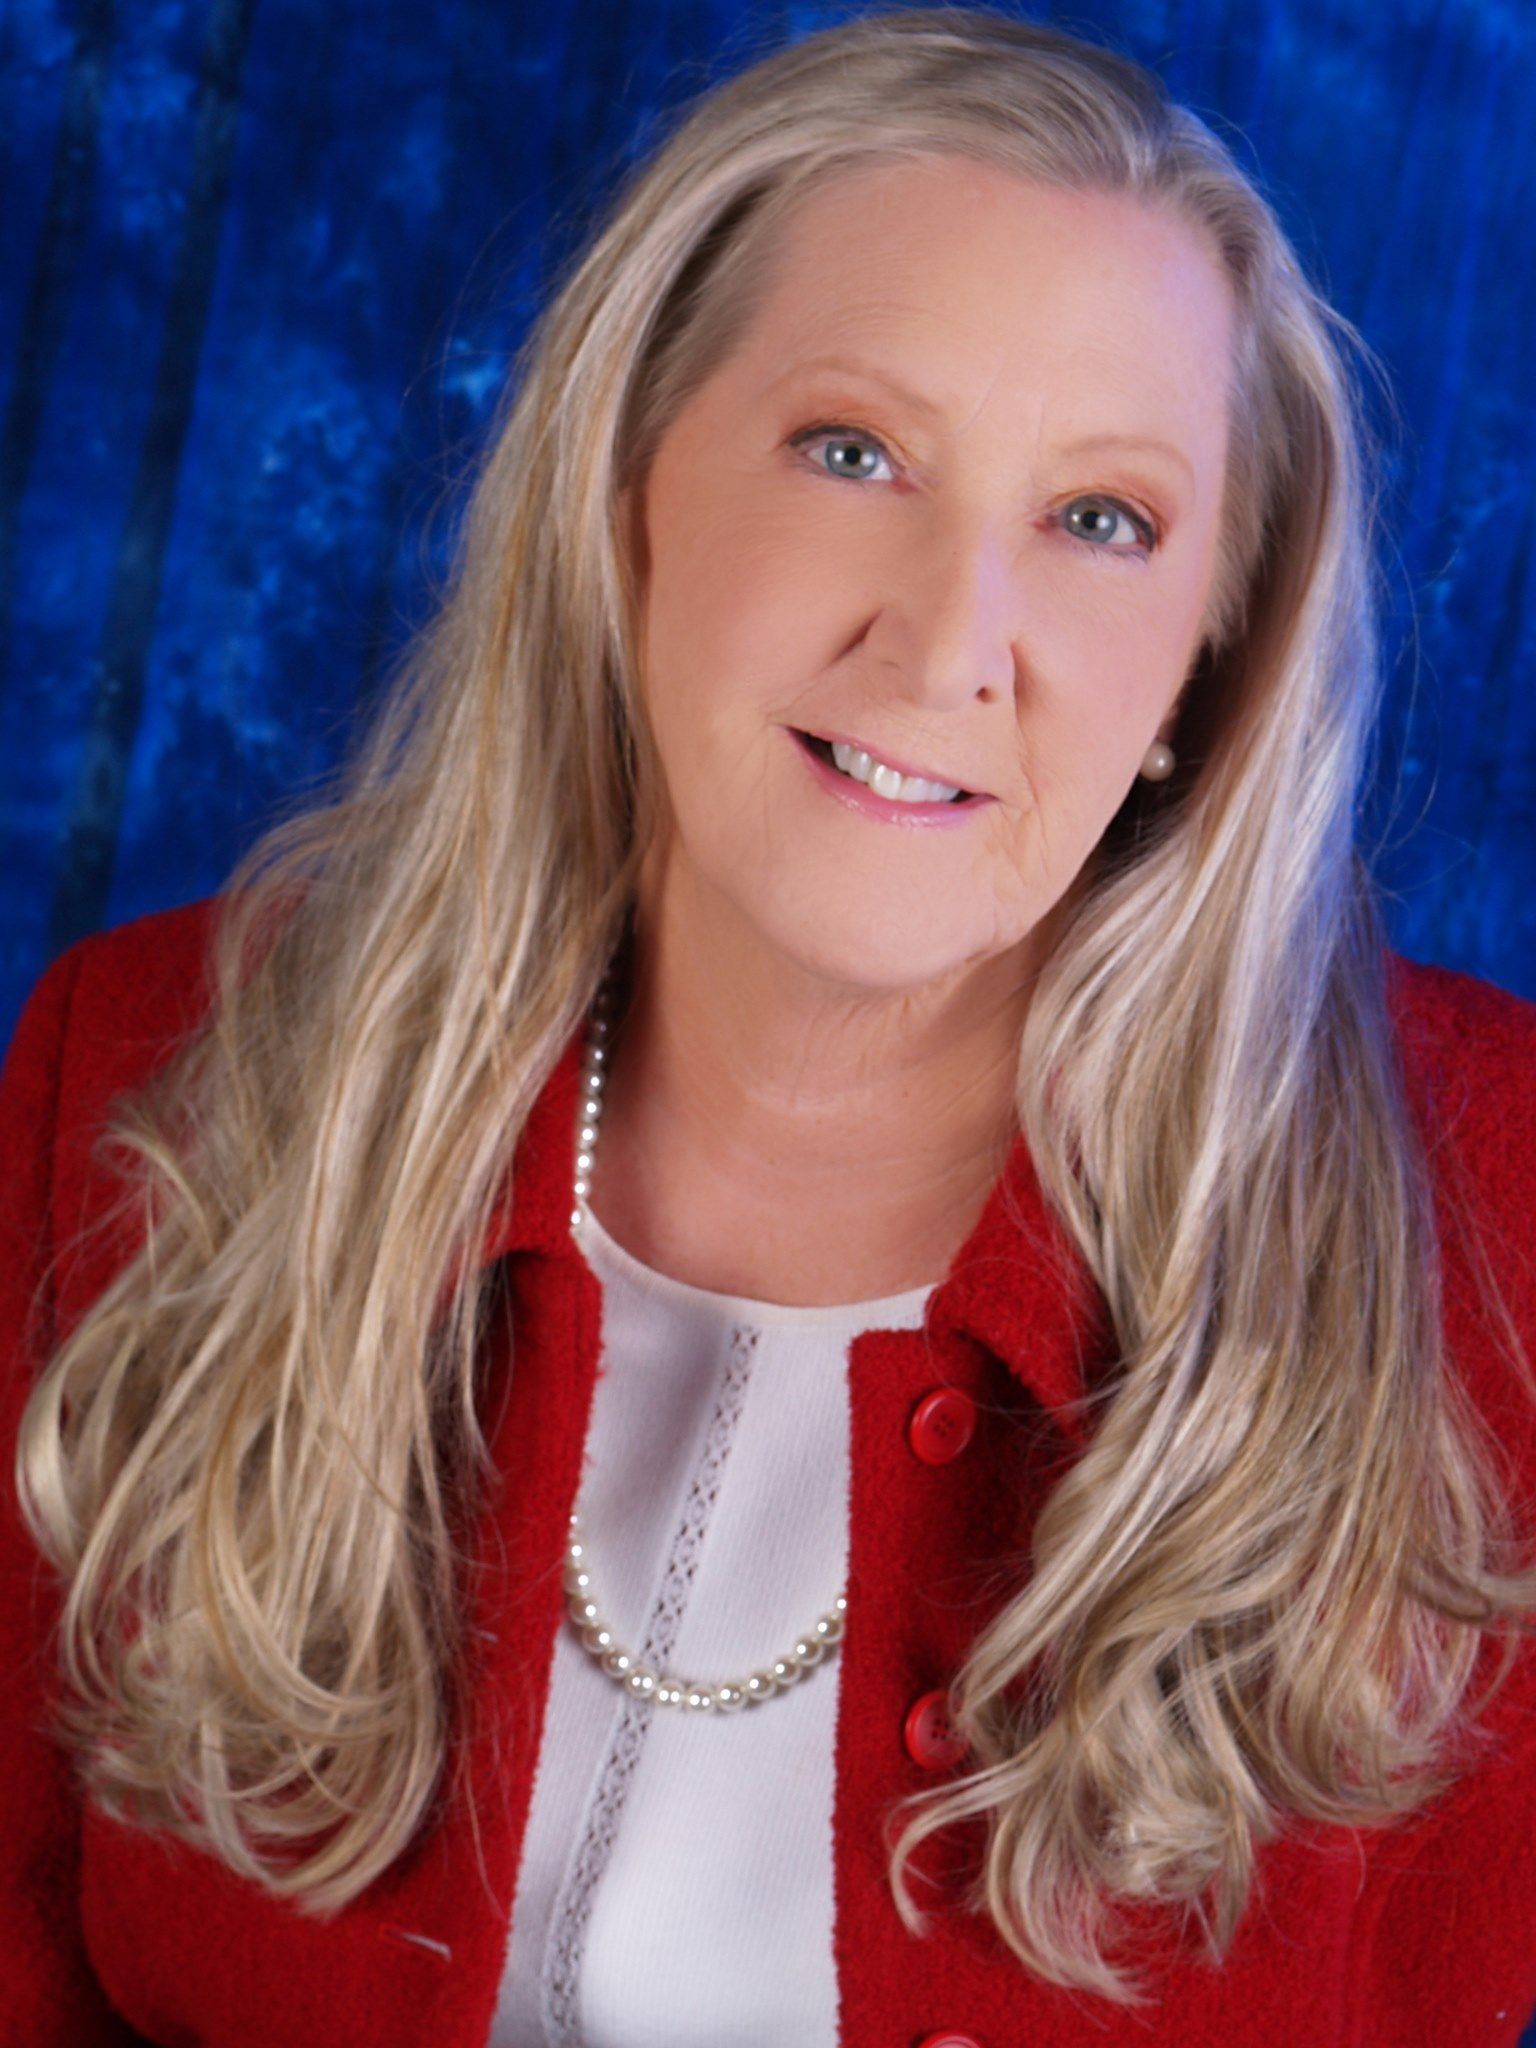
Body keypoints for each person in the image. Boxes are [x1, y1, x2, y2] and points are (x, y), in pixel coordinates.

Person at [3, 7, 1535, 2044]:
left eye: (1103, 521)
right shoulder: (147, 1068)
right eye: (853, 450)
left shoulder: (1491, 1230)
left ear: (1203, 666)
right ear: (631, 490)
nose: (946, 637)